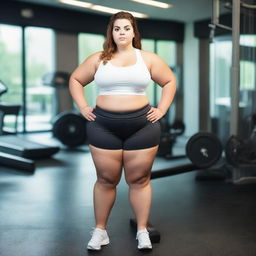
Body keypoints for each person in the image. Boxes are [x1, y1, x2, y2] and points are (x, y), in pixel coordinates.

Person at [69, 11, 176, 251]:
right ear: (111, 33)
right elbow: (76, 79)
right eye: (117, 29)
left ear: (134, 32)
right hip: (103, 125)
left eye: (126, 28)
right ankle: (100, 231)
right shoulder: (99, 58)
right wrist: (83, 106)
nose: (122, 32)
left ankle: (142, 231)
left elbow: (169, 81)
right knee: (106, 180)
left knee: (139, 180)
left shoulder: (147, 58)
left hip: (142, 126)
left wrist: (162, 109)